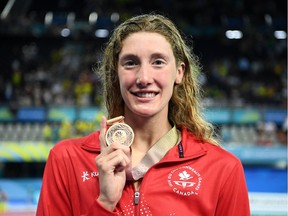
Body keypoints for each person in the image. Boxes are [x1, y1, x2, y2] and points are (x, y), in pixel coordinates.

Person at [36, 13, 250, 215]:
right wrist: (105, 203)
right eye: (131, 63)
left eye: (158, 62)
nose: (144, 77)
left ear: (179, 72)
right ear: (115, 74)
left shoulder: (222, 169)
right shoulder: (67, 160)